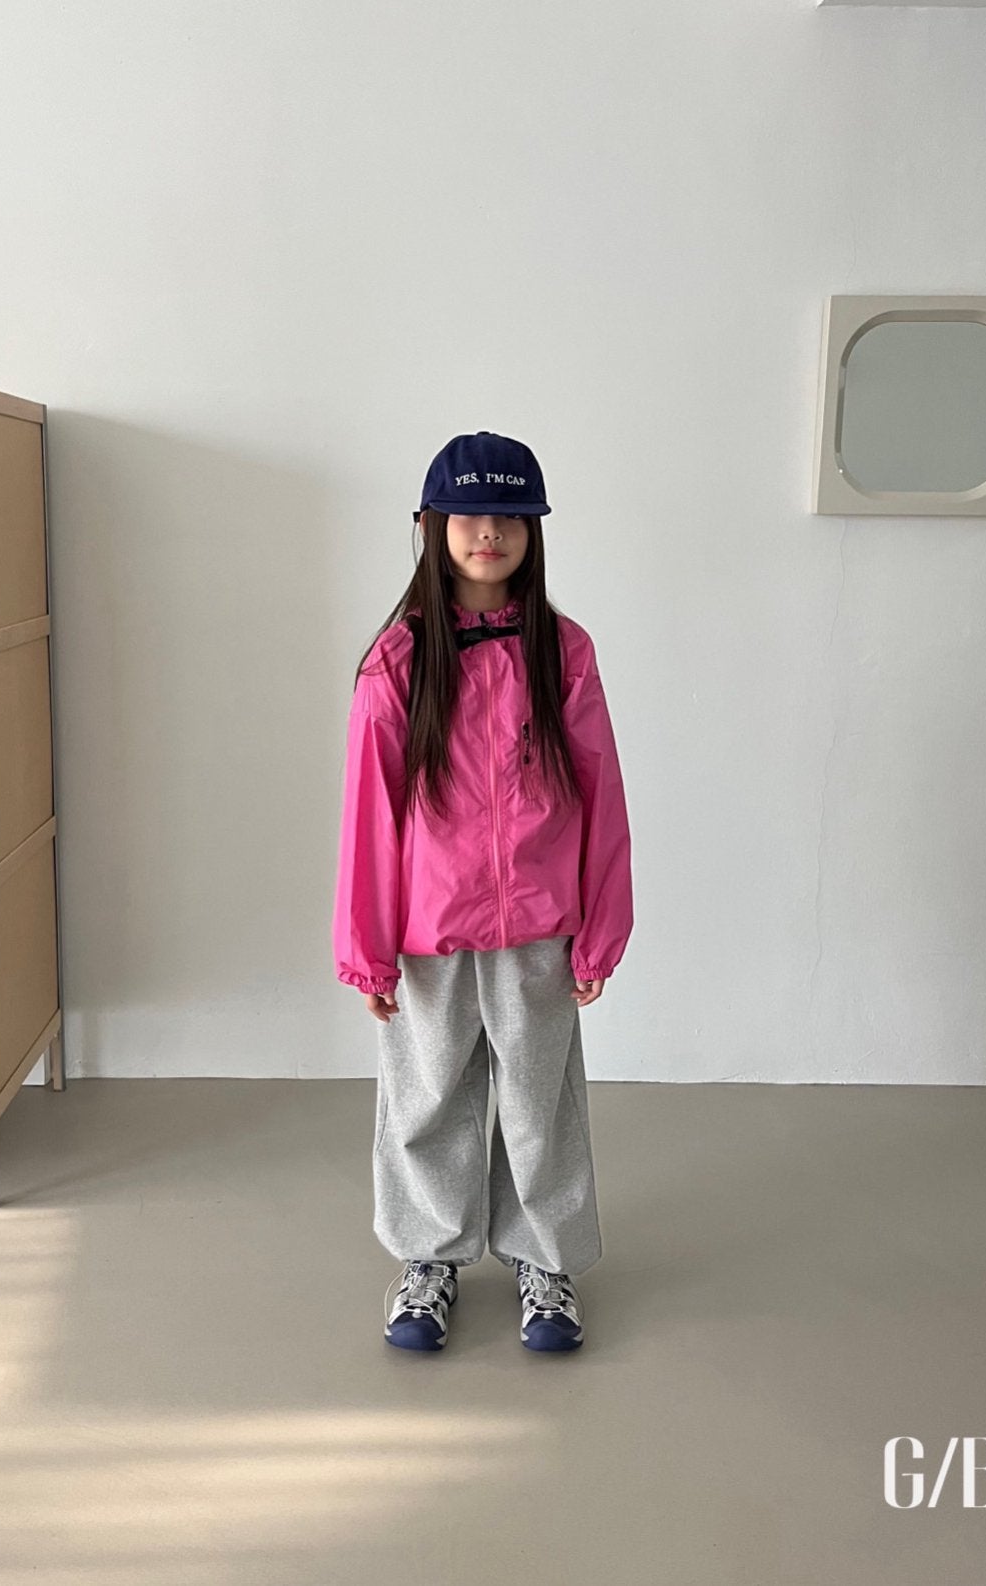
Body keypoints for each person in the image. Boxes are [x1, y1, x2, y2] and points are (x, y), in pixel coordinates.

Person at [332, 430, 633, 1353]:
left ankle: (545, 1260)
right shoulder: (399, 660)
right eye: (468, 514)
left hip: (540, 927)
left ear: (534, 531)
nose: (488, 532)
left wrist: (602, 928)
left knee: (541, 1101)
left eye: (510, 516)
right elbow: (368, 815)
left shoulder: (564, 652)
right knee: (427, 1098)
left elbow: (602, 791)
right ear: (432, 525)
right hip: (429, 932)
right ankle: (429, 1258)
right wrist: (367, 950)